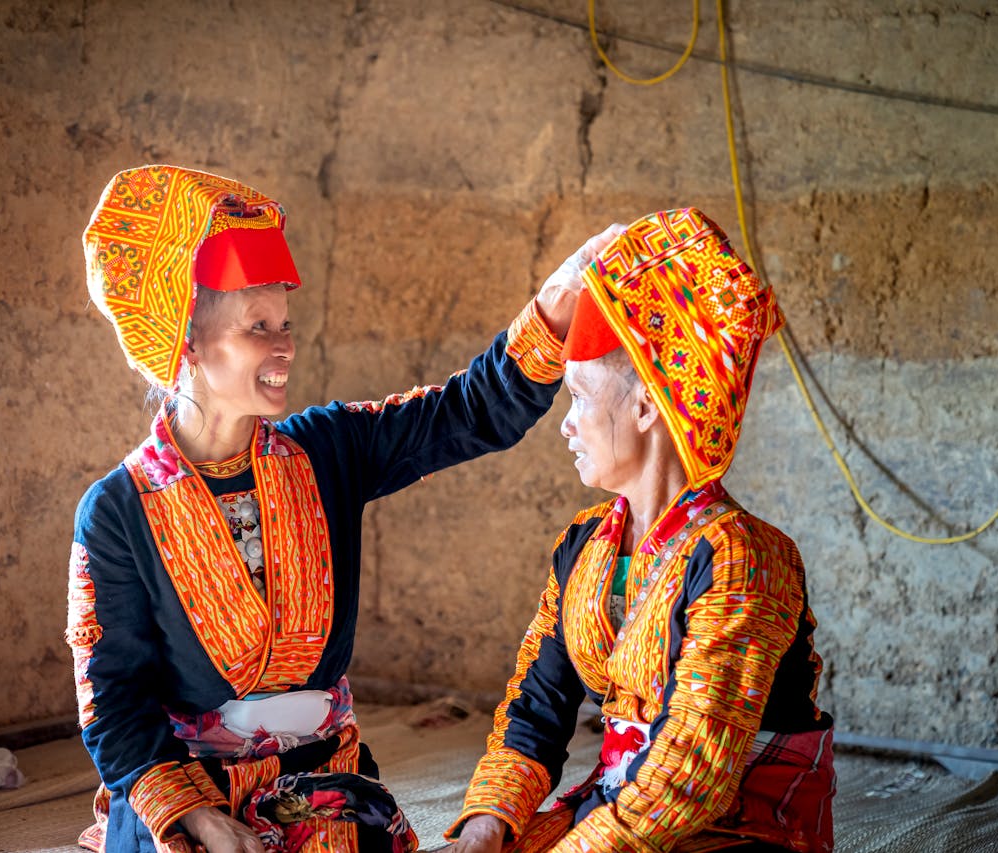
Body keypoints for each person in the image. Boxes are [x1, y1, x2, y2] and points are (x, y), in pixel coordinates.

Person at [66, 164, 621, 853]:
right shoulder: (117, 510)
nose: (285, 345)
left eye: (286, 323)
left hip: (323, 784)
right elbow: (113, 700)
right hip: (188, 792)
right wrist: (199, 817)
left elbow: (467, 412)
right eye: (257, 326)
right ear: (189, 343)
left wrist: (553, 306)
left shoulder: (326, 449)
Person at [445, 208, 835, 853]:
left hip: (733, 827)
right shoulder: (587, 544)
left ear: (647, 404)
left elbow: (691, 777)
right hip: (623, 805)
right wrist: (484, 831)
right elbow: (536, 711)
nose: (565, 424)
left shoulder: (743, 557)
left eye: (578, 396)